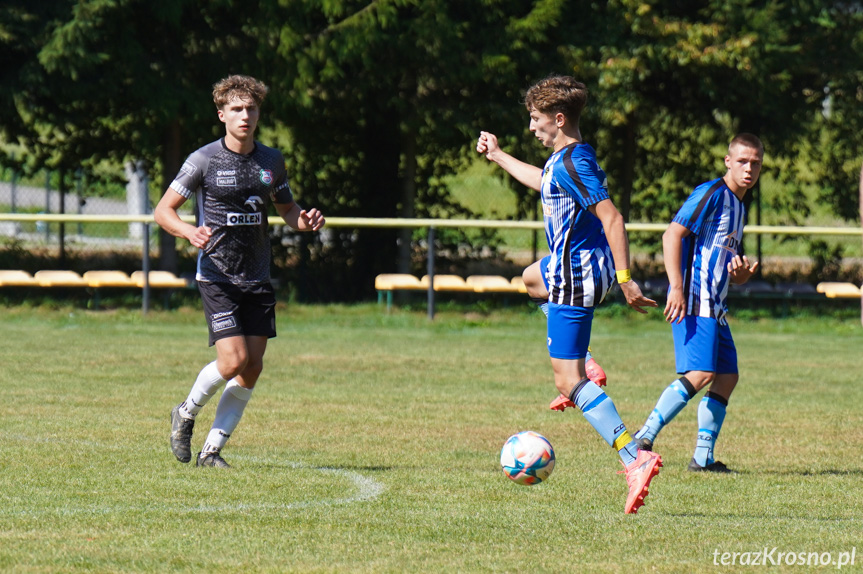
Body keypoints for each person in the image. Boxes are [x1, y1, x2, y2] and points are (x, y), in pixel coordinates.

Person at [477, 75, 661, 514]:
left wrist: (627, 278)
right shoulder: (567, 160)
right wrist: (500, 155)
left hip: (576, 277)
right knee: (529, 277)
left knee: (567, 380)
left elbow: (613, 219)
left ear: (558, 119)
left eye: (536, 120)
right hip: (572, 270)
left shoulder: (575, 163)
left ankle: (634, 455)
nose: (531, 128)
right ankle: (589, 365)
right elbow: (544, 182)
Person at [155, 75, 325, 468]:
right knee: (232, 361)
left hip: (258, 276)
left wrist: (307, 221)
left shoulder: (271, 161)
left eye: (250, 108)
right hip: (218, 276)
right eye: (236, 109)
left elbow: (288, 211)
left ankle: (211, 451)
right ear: (222, 115)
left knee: (252, 366)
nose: (244, 115)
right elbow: (163, 210)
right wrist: (187, 230)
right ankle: (185, 412)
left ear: (259, 113)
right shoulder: (203, 160)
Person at [633, 133, 764, 473]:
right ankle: (643, 437)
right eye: (742, 161)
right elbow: (672, 234)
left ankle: (703, 458)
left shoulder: (739, 206)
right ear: (728, 161)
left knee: (727, 377)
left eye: (755, 163)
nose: (749, 168)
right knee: (703, 372)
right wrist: (675, 286)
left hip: (716, 304)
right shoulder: (711, 194)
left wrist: (740, 276)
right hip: (695, 297)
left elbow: (724, 262)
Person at [521, 256, 608, 394]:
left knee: (568, 383)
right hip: (593, 262)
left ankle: (582, 376)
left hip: (582, 261)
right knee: (531, 277)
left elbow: (615, 233)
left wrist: (625, 278)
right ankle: (585, 365)